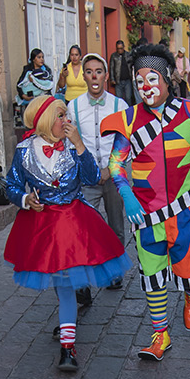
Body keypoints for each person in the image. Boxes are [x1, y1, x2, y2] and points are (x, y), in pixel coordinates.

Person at [100, 43, 190, 360]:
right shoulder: (127, 121)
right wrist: (126, 194)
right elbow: (115, 165)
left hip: (184, 210)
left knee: (187, 267)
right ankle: (160, 335)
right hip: (145, 214)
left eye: (152, 78)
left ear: (168, 78)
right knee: (152, 274)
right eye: (139, 80)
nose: (145, 87)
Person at [3, 95, 130, 371]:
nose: (67, 121)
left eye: (66, 115)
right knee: (63, 287)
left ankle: (68, 348)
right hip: (42, 229)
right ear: (46, 119)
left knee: (65, 285)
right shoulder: (24, 150)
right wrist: (25, 200)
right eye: (61, 116)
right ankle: (67, 326)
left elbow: (94, 177)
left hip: (73, 226)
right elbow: (10, 185)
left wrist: (81, 145)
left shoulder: (73, 149)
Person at [69, 53, 131, 288]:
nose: (94, 76)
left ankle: (114, 273)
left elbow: (127, 140)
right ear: (83, 76)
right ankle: (83, 281)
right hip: (86, 179)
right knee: (83, 228)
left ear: (106, 75)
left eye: (98, 71)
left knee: (116, 225)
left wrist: (111, 167)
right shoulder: (73, 106)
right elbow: (68, 142)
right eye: (89, 71)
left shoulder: (119, 105)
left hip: (113, 176)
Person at [16, 48, 55, 117]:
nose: (42, 59)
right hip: (30, 101)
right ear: (33, 59)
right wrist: (24, 96)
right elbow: (19, 85)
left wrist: (34, 81)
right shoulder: (27, 70)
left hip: (44, 100)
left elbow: (48, 85)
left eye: (42, 57)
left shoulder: (46, 71)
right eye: (39, 57)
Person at [109, 39, 132, 104]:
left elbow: (131, 66)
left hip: (127, 80)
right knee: (119, 98)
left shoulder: (128, 55)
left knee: (128, 97)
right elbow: (111, 67)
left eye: (121, 48)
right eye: (118, 48)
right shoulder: (114, 56)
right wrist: (112, 79)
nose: (119, 50)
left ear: (124, 47)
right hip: (118, 80)